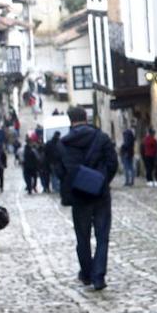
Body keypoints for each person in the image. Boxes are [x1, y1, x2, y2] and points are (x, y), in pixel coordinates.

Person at [58, 106, 119, 290]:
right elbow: (112, 163)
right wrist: (101, 181)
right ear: (86, 117)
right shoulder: (101, 138)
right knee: (102, 236)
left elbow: (60, 171)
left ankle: (86, 273)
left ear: (70, 120)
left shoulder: (64, 143)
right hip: (100, 194)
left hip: (79, 196)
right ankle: (98, 275)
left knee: (82, 237)